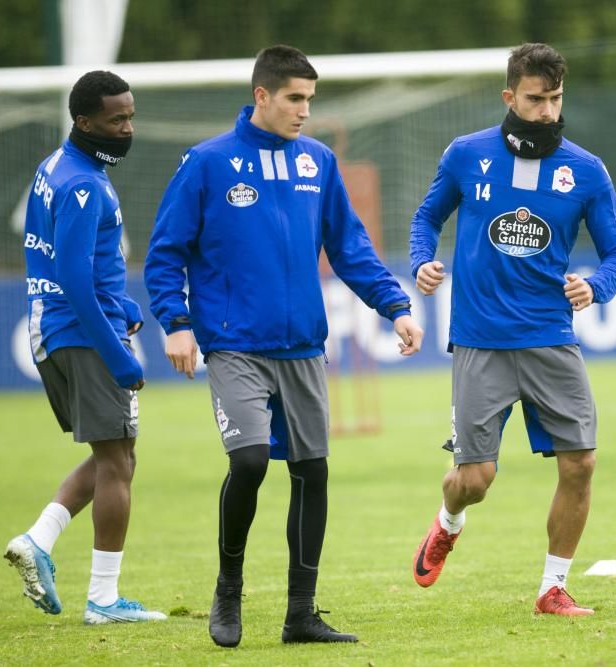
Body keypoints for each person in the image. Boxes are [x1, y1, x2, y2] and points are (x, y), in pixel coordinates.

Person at [144, 45, 423, 649]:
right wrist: (176, 321)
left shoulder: (318, 162)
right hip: (235, 345)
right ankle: (228, 590)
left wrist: (395, 306)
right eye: (295, 98)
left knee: (311, 471)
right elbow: (165, 251)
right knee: (247, 462)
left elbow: (349, 247)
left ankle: (301, 613)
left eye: (310, 101)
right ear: (262, 96)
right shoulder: (207, 163)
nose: (304, 111)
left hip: (301, 347)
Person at [409, 42, 616, 616]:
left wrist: (596, 287)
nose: (547, 112)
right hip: (481, 339)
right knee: (475, 479)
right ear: (510, 96)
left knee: (581, 461)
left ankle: (552, 588)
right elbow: (427, 217)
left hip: (551, 337)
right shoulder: (466, 155)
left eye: (556, 99)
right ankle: (447, 521)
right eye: (536, 99)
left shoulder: (586, 170)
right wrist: (420, 261)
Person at [4, 70, 166, 625]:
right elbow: (74, 276)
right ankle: (102, 600)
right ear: (84, 121)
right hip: (81, 334)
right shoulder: (84, 185)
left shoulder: (57, 166)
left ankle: (38, 540)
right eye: (116, 119)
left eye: (130, 116)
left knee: (111, 455)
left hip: (56, 328)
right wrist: (118, 352)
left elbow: (69, 265)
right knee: (120, 461)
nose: (127, 127)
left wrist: (122, 306)